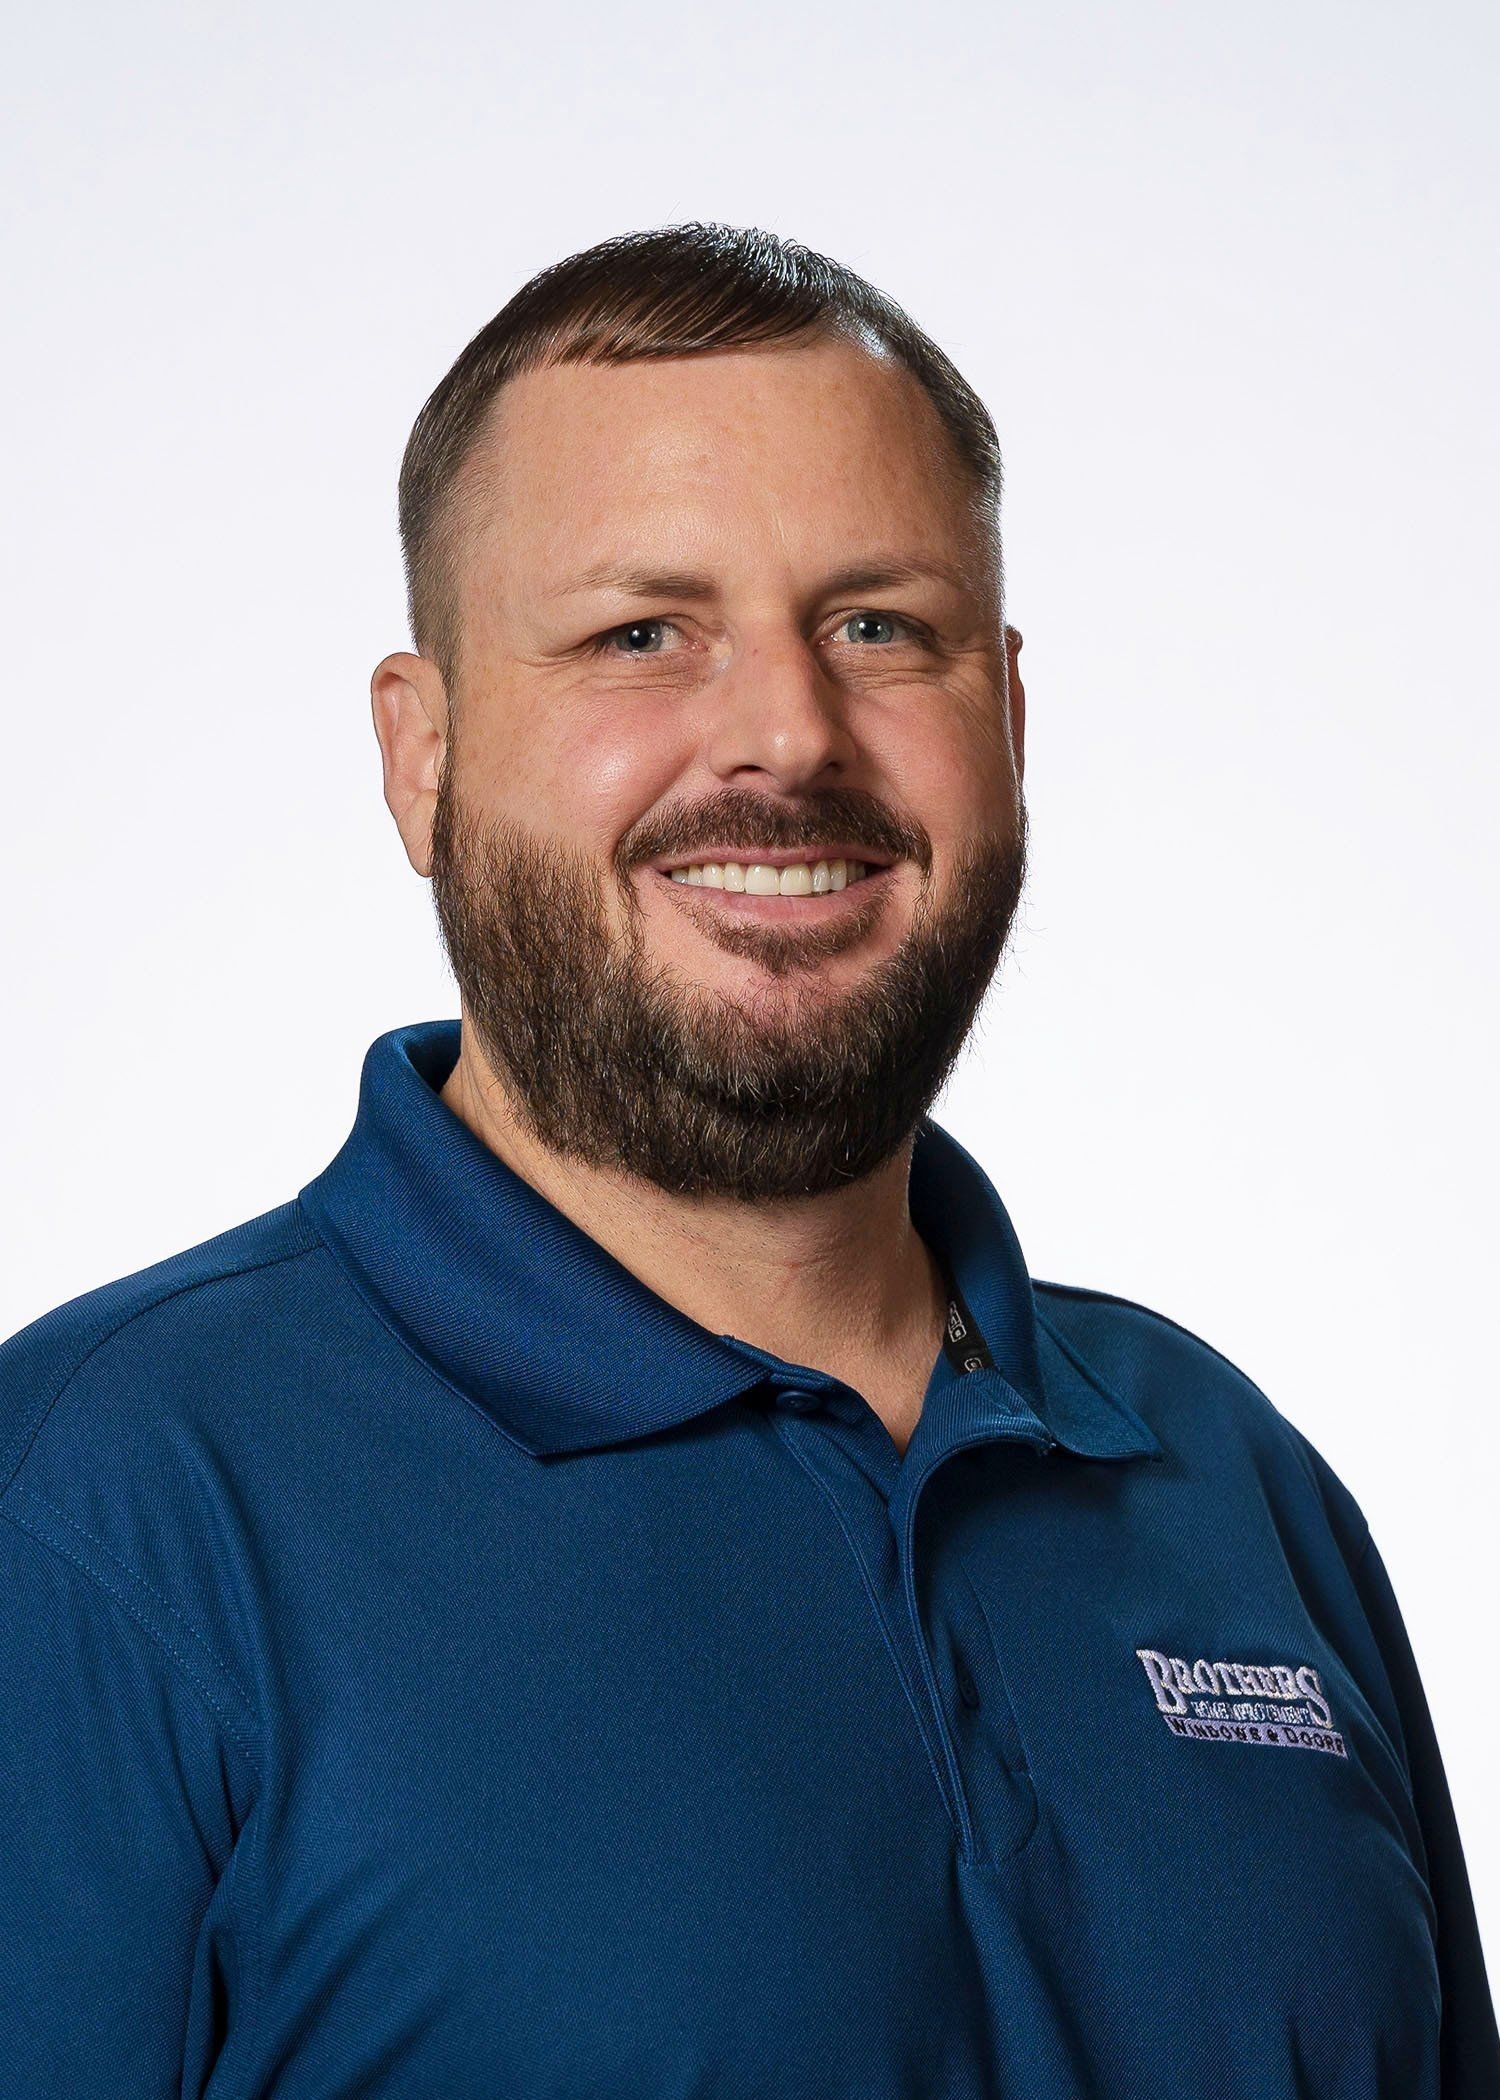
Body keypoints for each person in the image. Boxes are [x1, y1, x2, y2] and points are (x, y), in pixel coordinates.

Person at [1, 221, 1493, 2099]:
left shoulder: (1234, 1487)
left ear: (1009, 723)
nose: (788, 731)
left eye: (880, 627)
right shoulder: (94, 1520)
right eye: (645, 635)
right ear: (423, 758)